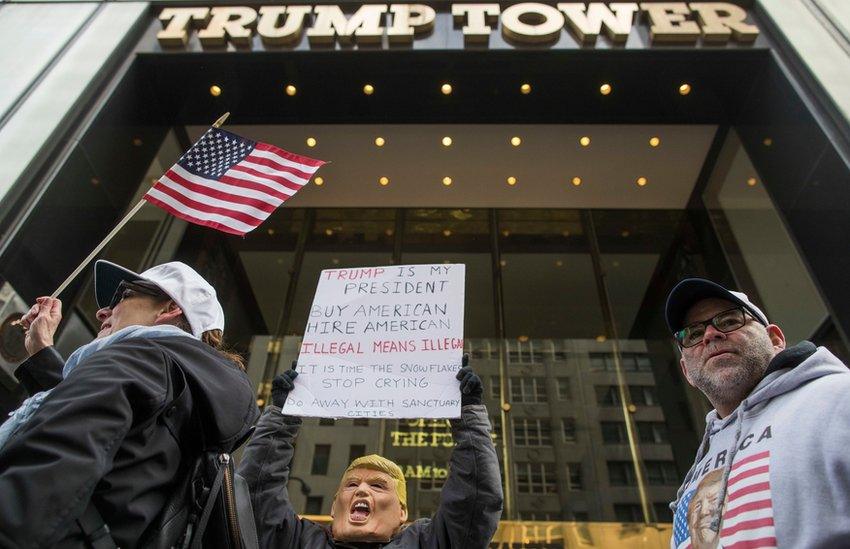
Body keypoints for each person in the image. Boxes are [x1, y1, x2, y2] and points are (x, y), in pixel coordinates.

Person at [0, 260, 259, 548]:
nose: (102, 312)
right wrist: (42, 355)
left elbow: (55, 458)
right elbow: (113, 456)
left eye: (124, 295)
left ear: (169, 309)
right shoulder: (178, 387)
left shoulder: (138, 357)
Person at [237, 356, 503, 548]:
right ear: (333, 506)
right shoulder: (296, 541)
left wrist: (467, 414)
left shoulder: (429, 543)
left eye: (378, 486)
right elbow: (256, 493)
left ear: (402, 512)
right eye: (351, 484)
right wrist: (283, 415)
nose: (361, 491)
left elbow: (475, 498)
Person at [665, 278, 850, 548]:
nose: (710, 335)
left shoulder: (837, 398)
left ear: (775, 339)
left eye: (729, 321)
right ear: (686, 372)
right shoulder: (697, 470)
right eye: (692, 334)